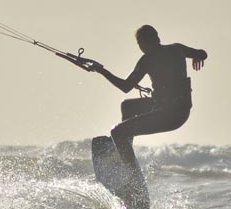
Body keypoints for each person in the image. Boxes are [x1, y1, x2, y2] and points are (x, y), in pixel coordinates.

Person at [87, 25, 207, 179]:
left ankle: (132, 175)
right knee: (127, 106)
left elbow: (125, 86)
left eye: (142, 45)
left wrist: (101, 70)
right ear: (157, 38)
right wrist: (198, 57)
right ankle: (125, 150)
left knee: (117, 132)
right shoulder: (177, 49)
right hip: (180, 112)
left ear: (143, 44)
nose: (143, 48)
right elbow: (203, 53)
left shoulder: (147, 59)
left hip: (167, 115)